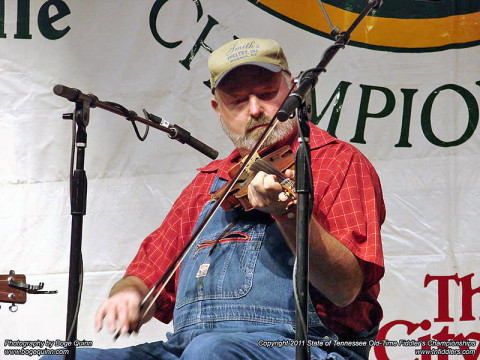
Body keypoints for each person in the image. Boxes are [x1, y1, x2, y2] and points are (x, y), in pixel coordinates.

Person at [42, 38, 385, 360]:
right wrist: (129, 295)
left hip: (303, 346)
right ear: (217, 109)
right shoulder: (210, 181)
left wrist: (289, 214)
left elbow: (345, 288)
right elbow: (145, 275)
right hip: (189, 348)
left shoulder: (337, 161)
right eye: (237, 100)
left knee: (211, 351)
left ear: (293, 90)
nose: (255, 110)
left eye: (267, 94)